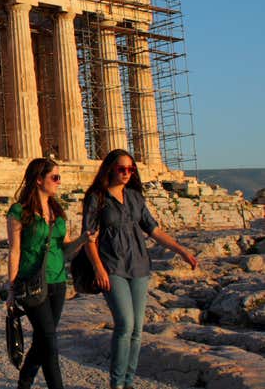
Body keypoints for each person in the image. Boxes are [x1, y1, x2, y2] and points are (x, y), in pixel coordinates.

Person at [82, 149, 198, 389]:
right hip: (112, 265)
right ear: (110, 169)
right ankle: (116, 383)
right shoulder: (96, 197)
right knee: (125, 324)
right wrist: (98, 269)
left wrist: (181, 250)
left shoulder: (135, 196)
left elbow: (153, 230)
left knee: (137, 329)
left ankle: (129, 381)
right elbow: (89, 238)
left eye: (131, 169)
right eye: (122, 169)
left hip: (139, 265)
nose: (127, 173)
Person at [6, 158, 96, 389]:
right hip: (32, 283)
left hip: (57, 281)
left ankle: (25, 380)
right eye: (55, 177)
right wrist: (11, 289)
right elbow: (14, 251)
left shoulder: (57, 210)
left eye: (59, 177)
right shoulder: (19, 211)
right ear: (38, 180)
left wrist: (84, 239)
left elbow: (64, 248)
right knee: (50, 342)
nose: (59, 182)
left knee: (43, 340)